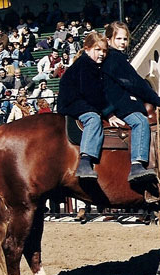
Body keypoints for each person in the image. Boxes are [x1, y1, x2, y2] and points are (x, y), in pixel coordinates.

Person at [102, 21, 160, 182]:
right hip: (118, 103)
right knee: (140, 122)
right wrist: (156, 100)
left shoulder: (115, 58)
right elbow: (135, 83)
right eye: (119, 39)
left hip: (119, 101)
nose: (123, 43)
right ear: (109, 40)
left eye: (125, 39)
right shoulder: (115, 59)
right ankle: (137, 164)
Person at [57, 32, 109, 179]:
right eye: (97, 50)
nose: (101, 54)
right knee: (93, 118)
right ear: (87, 49)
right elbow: (91, 93)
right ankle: (85, 161)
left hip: (80, 100)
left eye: (104, 51)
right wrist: (108, 110)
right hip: (72, 102)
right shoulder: (85, 65)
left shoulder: (93, 65)